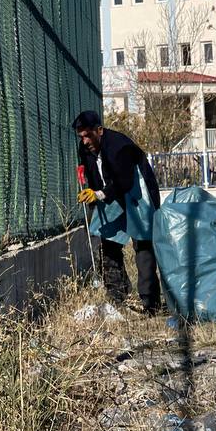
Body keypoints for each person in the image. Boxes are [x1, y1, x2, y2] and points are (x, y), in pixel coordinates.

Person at [72, 110, 162, 314]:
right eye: (81, 137)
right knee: (107, 242)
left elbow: (124, 182)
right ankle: (117, 297)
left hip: (137, 193)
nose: (85, 141)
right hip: (112, 193)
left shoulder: (120, 147)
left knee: (143, 245)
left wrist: (99, 194)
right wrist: (90, 190)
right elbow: (89, 170)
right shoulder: (85, 148)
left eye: (88, 135)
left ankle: (151, 304)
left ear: (100, 130)